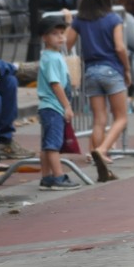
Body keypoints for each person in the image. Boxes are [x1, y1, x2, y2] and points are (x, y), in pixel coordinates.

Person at [65, 0, 129, 182]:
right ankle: (102, 150)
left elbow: (67, 43)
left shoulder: (80, 20)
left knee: (99, 119)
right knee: (121, 117)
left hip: (91, 71)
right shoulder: (113, 19)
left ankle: (98, 155)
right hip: (111, 69)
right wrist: (127, 69)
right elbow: (119, 47)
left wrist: (69, 22)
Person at [37, 14, 79, 191]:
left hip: (48, 107)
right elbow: (56, 84)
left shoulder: (49, 55)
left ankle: (46, 177)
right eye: (55, 34)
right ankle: (58, 177)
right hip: (54, 106)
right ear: (44, 37)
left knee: (47, 144)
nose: (61, 37)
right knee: (53, 145)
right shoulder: (52, 58)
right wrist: (67, 106)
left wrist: (68, 19)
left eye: (62, 33)